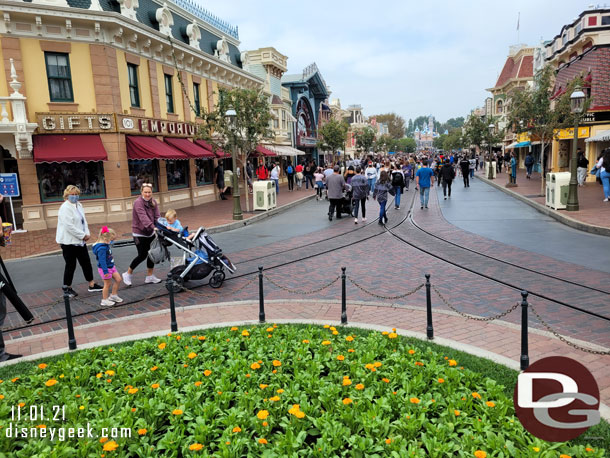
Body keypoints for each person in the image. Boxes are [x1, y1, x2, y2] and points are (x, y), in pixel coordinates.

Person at [55, 185, 103, 298]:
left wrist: (87, 233)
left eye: (76, 194)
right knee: (71, 265)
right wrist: (82, 235)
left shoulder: (79, 205)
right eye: (72, 194)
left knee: (86, 262)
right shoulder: (65, 208)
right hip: (69, 242)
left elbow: (83, 221)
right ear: (67, 195)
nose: (75, 196)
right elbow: (69, 226)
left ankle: (91, 284)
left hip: (80, 241)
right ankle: (67, 287)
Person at [122, 183, 161, 286]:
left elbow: (157, 216)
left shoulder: (153, 202)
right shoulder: (138, 202)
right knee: (142, 255)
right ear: (141, 192)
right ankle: (128, 273)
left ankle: (150, 276)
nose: (147, 194)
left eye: (149, 192)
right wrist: (153, 227)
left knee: (151, 254)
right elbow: (143, 217)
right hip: (139, 233)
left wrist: (160, 225)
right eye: (145, 192)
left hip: (150, 232)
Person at [92, 226, 123, 307]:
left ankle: (113, 295)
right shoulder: (101, 248)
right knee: (107, 284)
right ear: (106, 238)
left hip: (111, 266)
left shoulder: (105, 245)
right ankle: (104, 300)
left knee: (118, 279)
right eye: (111, 240)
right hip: (105, 269)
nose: (112, 242)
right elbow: (102, 261)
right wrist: (105, 271)